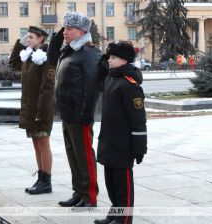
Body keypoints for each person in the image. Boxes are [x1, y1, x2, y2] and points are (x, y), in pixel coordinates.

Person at [94, 41, 147, 224]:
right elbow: (100, 66)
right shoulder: (111, 78)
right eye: (109, 56)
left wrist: (140, 148)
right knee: (111, 183)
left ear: (125, 60)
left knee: (123, 185)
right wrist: (103, 53)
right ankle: (115, 214)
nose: (109, 60)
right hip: (109, 141)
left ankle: (124, 219)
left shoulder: (130, 85)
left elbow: (138, 120)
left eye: (113, 57)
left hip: (123, 145)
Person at [53, 12, 102, 207]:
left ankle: (90, 196)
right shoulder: (70, 51)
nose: (64, 32)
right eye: (64, 28)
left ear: (82, 32)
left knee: (84, 156)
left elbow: (91, 89)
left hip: (80, 114)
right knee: (72, 154)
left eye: (68, 29)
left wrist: (85, 114)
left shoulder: (89, 53)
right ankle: (79, 192)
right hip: (68, 112)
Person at [9, 26, 56, 195]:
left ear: (41, 39)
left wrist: (40, 112)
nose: (27, 39)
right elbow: (13, 63)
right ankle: (41, 178)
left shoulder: (45, 58)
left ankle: (47, 181)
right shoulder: (29, 57)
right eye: (27, 37)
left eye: (30, 37)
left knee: (43, 144)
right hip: (30, 109)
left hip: (41, 110)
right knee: (36, 144)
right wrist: (19, 44)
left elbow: (47, 88)